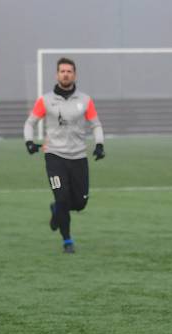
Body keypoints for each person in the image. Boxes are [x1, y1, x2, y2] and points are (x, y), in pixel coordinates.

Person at [24, 57, 105, 254]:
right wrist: (29, 142)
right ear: (57, 74)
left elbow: (96, 124)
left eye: (69, 71)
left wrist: (100, 144)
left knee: (80, 202)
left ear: (74, 75)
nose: (66, 74)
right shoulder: (45, 100)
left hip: (78, 158)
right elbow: (30, 123)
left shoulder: (85, 100)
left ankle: (57, 211)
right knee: (62, 198)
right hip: (55, 157)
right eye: (62, 71)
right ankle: (67, 240)